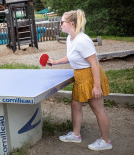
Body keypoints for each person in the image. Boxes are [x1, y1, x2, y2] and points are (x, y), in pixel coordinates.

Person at [47, 9, 112, 151]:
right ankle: (76, 135)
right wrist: (55, 62)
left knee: (98, 109)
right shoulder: (70, 39)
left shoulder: (83, 40)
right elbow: (71, 57)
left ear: (71, 23)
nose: (60, 24)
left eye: (62, 22)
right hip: (80, 76)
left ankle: (106, 141)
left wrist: (97, 86)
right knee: (75, 105)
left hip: (90, 76)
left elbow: (94, 63)